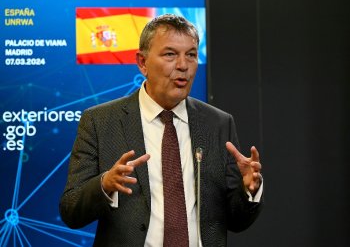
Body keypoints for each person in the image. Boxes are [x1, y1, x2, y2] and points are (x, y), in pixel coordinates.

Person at [59, 14, 263, 247]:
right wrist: (104, 185)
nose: (183, 65)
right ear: (143, 63)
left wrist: (249, 191)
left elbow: (236, 220)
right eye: (170, 54)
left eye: (191, 55)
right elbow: (70, 209)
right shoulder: (100, 121)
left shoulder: (218, 123)